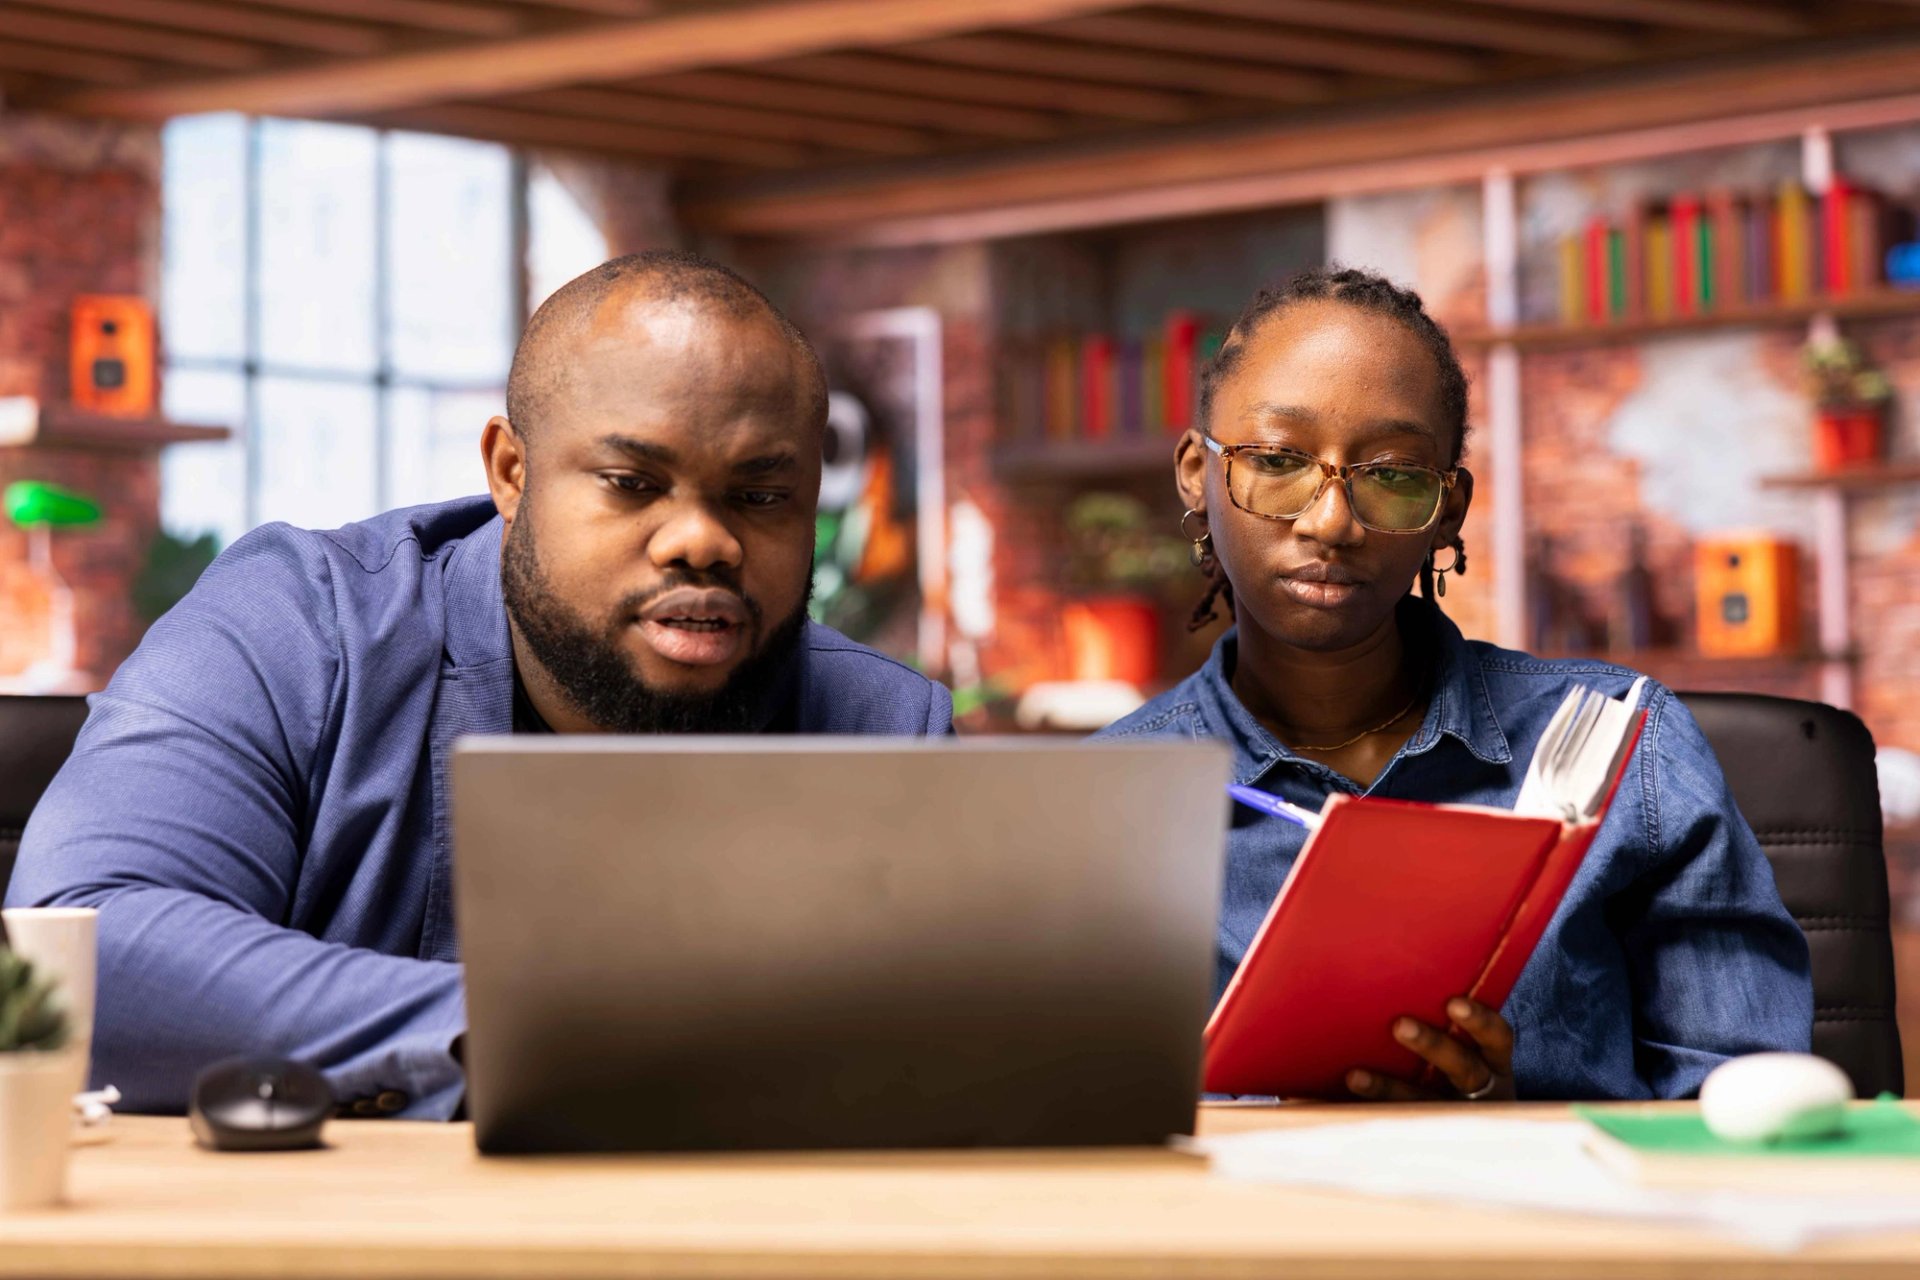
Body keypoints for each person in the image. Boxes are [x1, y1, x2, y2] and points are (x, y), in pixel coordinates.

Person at [8, 250, 953, 1118]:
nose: (703, 539)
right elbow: (84, 947)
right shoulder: (293, 630)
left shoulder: (880, 727)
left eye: (760, 496)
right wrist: (546, 1032)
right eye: (632, 481)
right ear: (511, 470)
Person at [1097, 267, 1810, 1101]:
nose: (1331, 521)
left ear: (1448, 507)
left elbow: (1748, 1119)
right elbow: (1076, 1137)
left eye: (1393, 475)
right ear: (1197, 471)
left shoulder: (1619, 749)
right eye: (1279, 461)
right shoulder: (1108, 801)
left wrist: (1516, 1129)